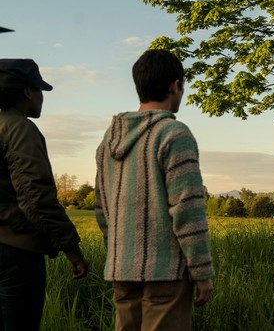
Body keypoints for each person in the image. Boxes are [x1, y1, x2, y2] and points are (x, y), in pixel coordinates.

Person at [94, 49, 214, 331]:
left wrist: (117, 253)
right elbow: (188, 207)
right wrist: (201, 271)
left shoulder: (107, 141)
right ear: (175, 85)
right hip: (166, 273)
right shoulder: (174, 134)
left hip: (121, 270)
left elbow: (101, 208)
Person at [0, 58, 89, 331]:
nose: (42, 97)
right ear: (27, 92)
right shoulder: (19, 128)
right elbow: (35, 196)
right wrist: (71, 249)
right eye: (39, 90)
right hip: (15, 256)